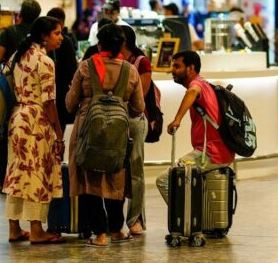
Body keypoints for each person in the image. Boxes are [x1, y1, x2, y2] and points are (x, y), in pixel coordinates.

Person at [65, 23, 144, 248]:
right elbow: (139, 107)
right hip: (117, 133)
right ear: (121, 45)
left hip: (87, 129)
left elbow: (70, 103)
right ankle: (117, 230)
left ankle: (99, 234)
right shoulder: (130, 70)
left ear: (99, 44)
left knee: (88, 179)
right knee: (115, 178)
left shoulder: (85, 67)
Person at [2, 16, 65, 245]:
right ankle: (37, 229)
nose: (61, 37)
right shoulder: (44, 61)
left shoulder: (17, 56)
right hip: (36, 121)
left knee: (17, 173)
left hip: (17, 118)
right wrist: (59, 133)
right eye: (57, 33)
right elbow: (49, 102)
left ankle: (14, 228)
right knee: (37, 173)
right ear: (44, 36)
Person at [155, 50, 235, 204]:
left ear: (190, 68)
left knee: (164, 181)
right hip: (221, 152)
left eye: (177, 66)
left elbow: (192, 91)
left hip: (210, 154)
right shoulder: (205, 83)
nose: (173, 70)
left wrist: (177, 119)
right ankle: (195, 214)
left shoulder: (196, 84)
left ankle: (187, 215)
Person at [0, 0, 42, 191]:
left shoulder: (8, 32)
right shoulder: (40, 36)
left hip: (10, 92)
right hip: (34, 94)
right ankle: (28, 180)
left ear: (20, 14)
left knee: (5, 136)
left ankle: (4, 181)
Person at [119, 24, 152, 237]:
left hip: (134, 119)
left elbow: (141, 96)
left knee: (135, 169)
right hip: (117, 119)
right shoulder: (114, 60)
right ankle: (117, 218)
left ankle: (136, 217)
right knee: (118, 169)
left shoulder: (141, 62)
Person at [45, 9, 78, 128]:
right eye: (57, 33)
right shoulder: (66, 42)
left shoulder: (35, 47)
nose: (61, 38)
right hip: (59, 94)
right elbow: (72, 71)